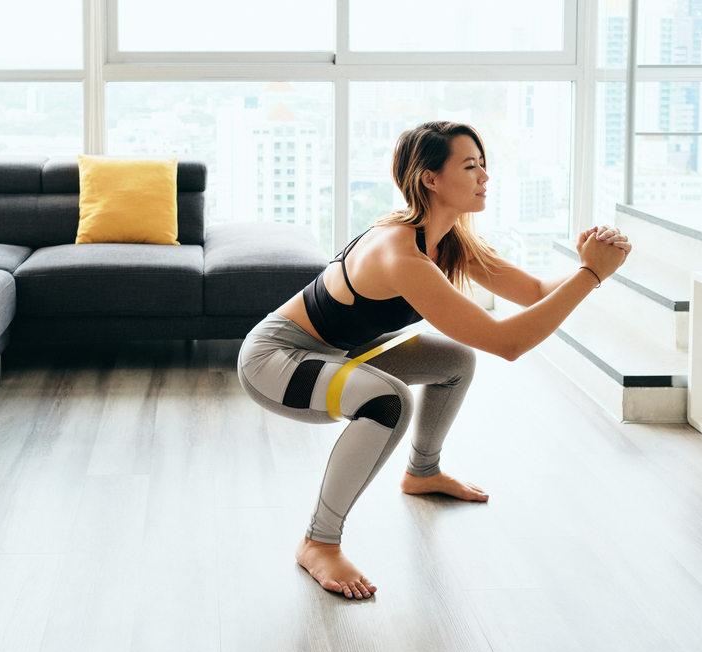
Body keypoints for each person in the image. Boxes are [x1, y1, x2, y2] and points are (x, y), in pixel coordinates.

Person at [236, 120, 631, 600]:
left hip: (338, 356)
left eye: (484, 165)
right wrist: (592, 273)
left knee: (454, 360)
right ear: (430, 178)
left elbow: (532, 293)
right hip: (277, 361)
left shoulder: (448, 242)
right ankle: (319, 541)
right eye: (470, 166)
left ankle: (422, 473)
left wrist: (586, 262)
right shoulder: (400, 253)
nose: (485, 176)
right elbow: (508, 343)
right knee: (389, 401)